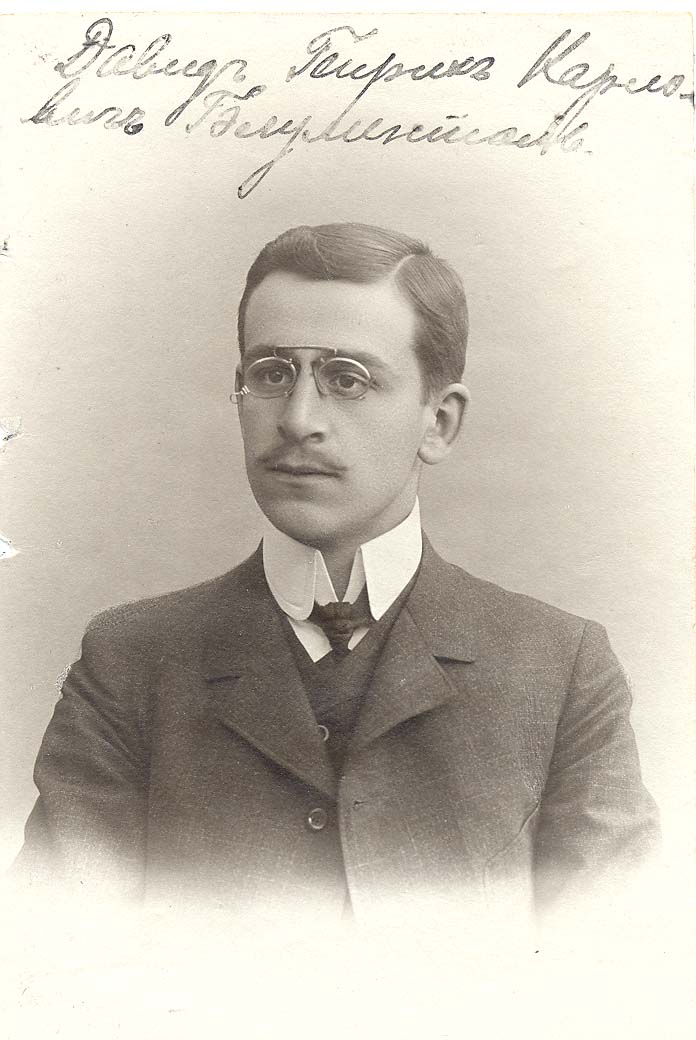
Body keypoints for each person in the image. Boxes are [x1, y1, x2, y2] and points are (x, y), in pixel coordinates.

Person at [14, 222, 659, 940]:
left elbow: (610, 971)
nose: (297, 420)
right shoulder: (133, 659)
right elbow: (53, 960)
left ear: (439, 423)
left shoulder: (559, 667)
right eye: (271, 374)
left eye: (348, 380)